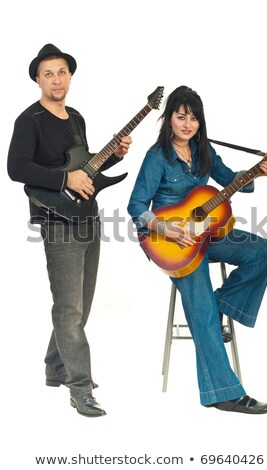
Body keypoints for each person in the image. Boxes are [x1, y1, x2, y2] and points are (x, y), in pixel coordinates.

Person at [127, 85, 267, 414]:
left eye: (193, 118)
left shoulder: (203, 150)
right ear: (169, 120)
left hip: (209, 233)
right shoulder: (157, 158)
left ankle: (221, 304)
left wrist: (257, 172)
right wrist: (166, 227)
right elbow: (136, 205)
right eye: (181, 116)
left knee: (263, 252)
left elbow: (230, 179)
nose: (187, 124)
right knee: (203, 312)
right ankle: (224, 393)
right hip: (172, 242)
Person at [7, 44, 132, 417]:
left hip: (89, 217)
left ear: (70, 76)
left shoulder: (75, 117)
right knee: (69, 308)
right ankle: (79, 387)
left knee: (80, 304)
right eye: (48, 73)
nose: (56, 79)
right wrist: (64, 179)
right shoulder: (28, 121)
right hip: (57, 222)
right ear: (37, 79)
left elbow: (84, 167)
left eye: (61, 72)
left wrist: (115, 155)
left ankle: (55, 365)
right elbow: (16, 168)